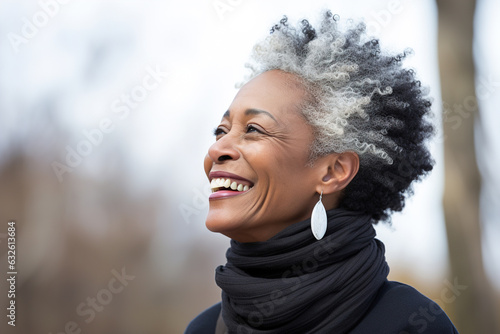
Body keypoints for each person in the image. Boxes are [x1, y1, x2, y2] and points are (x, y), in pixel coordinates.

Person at [185, 11, 458, 334]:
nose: (217, 149)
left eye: (254, 129)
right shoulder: (203, 329)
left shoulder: (410, 323)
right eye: (221, 130)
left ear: (333, 172)